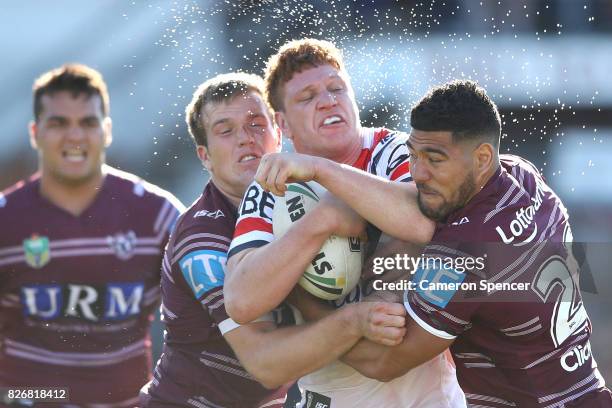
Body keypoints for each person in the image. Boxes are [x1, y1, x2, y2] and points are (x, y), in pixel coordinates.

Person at [254, 80, 612, 407]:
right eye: (413, 154)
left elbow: (382, 363)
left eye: (435, 160)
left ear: (482, 157)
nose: (418, 172)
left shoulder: (463, 253)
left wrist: (305, 300)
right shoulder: (522, 176)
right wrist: (319, 168)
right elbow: (412, 204)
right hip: (585, 391)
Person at [139, 72, 407, 408]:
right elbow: (266, 363)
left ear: (279, 134)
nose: (245, 139)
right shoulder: (203, 238)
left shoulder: (306, 194)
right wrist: (357, 320)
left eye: (256, 124)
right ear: (204, 156)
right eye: (225, 131)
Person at [225, 39, 465, 407]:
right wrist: (322, 221)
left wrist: (324, 172)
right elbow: (241, 300)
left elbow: (425, 224)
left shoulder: (398, 151)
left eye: (337, 88)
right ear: (283, 124)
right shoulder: (273, 185)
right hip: (335, 390)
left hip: (426, 389)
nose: (327, 100)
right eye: (307, 97)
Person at [0, 64, 185, 407]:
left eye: (88, 122)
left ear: (107, 130)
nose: (74, 136)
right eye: (58, 123)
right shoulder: (4, 219)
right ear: (35, 132)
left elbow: (206, 322)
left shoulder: (158, 215)